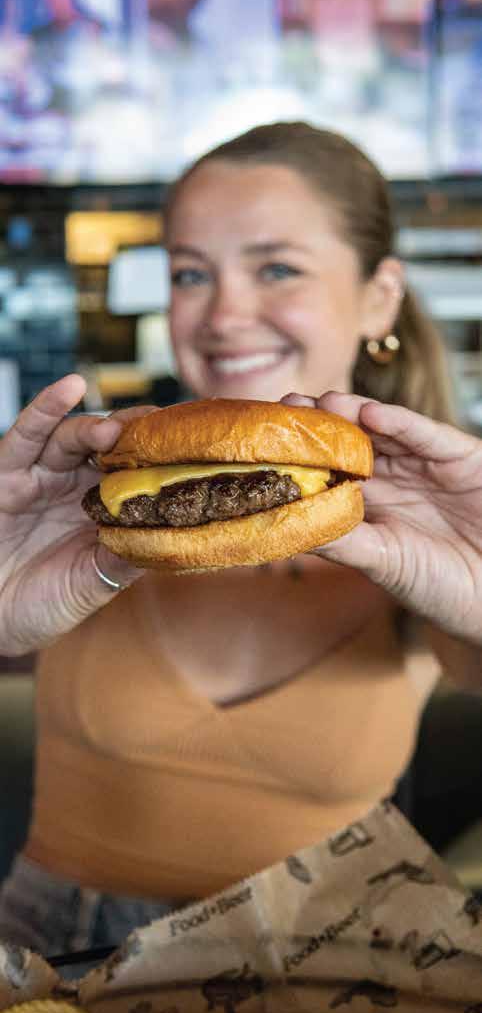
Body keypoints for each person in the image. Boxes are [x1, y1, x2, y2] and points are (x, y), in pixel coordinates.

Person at [0, 122, 480, 956]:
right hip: (54, 948)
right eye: (190, 273)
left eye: (277, 268)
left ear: (379, 296)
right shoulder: (87, 494)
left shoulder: (432, 523)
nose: (222, 316)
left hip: (323, 955)